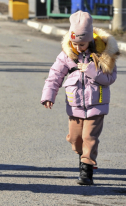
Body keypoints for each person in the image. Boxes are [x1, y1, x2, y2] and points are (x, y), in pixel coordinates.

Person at [41, 11, 118, 185]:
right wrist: (48, 95)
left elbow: (110, 78)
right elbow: (55, 75)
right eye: (75, 43)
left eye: (82, 44)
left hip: (97, 105)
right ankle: (82, 152)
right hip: (75, 105)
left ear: (90, 39)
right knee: (76, 140)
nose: (78, 47)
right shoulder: (68, 54)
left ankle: (86, 170)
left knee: (89, 138)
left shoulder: (103, 53)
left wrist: (92, 72)